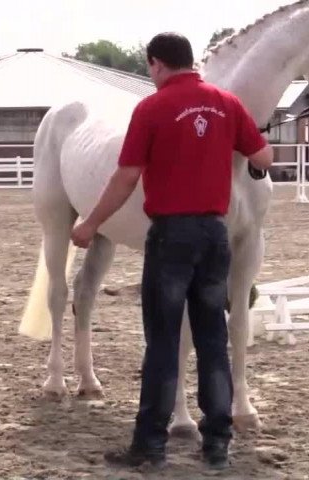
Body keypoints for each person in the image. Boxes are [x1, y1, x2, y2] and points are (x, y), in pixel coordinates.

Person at [70, 32, 273, 470]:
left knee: (163, 343)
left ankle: (150, 446)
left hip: (170, 237)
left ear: (158, 64)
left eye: (150, 68)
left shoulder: (151, 108)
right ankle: (217, 443)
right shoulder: (227, 103)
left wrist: (91, 222)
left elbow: (125, 177)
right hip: (214, 236)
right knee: (213, 340)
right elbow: (264, 158)